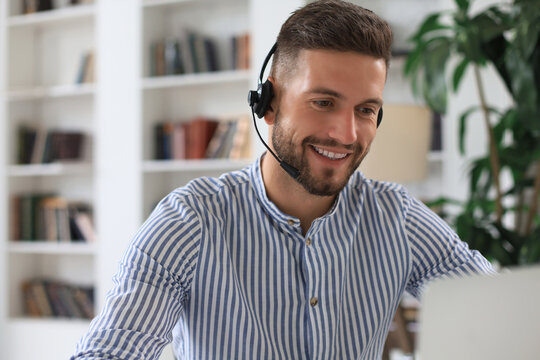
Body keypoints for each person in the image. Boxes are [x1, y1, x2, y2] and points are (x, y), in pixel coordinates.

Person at [72, 1, 494, 359]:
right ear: (269, 103)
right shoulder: (190, 220)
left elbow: (500, 314)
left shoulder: (396, 219)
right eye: (323, 102)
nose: (346, 134)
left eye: (365, 110)